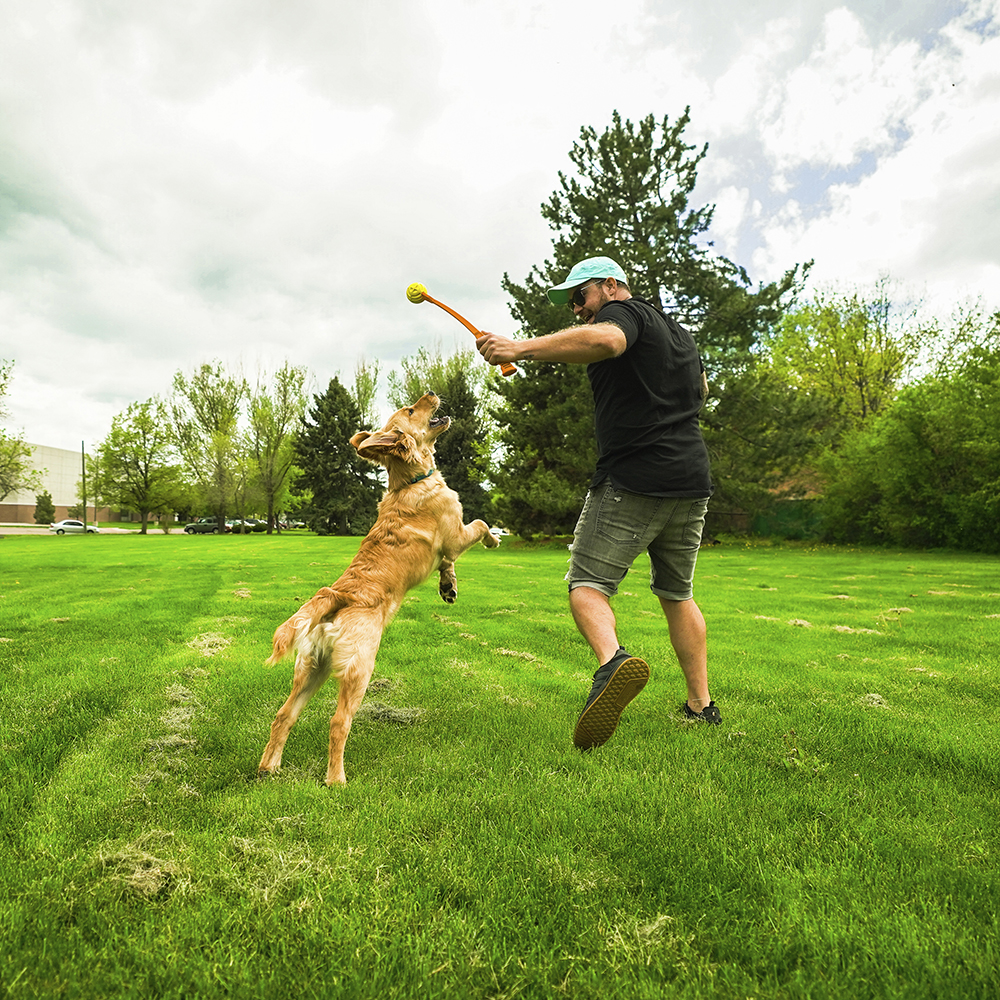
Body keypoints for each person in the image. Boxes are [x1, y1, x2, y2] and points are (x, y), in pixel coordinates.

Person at [476, 255, 720, 749]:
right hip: (691, 480)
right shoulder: (679, 335)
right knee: (677, 594)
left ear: (611, 286)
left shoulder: (624, 317)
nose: (577, 310)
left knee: (586, 585)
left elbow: (608, 340)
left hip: (635, 478)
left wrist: (521, 347)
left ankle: (613, 664)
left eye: (581, 297)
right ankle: (701, 707)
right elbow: (701, 389)